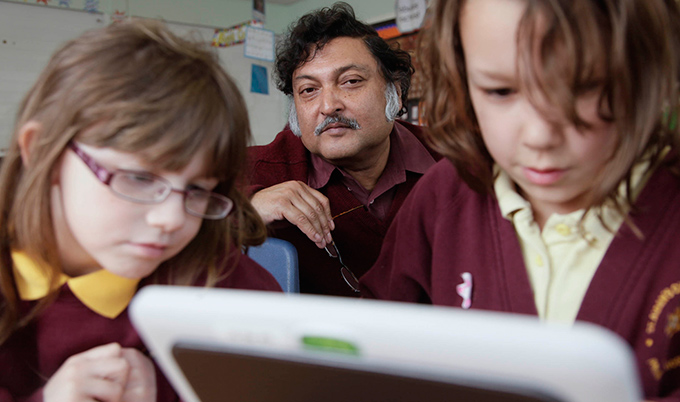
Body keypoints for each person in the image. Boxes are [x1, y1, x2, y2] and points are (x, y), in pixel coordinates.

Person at [360, 0, 680, 399]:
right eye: (500, 90)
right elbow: (374, 347)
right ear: (462, 80)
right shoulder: (444, 198)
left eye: (582, 88)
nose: (539, 136)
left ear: (645, 73)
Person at [0, 20, 281, 402]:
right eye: (138, 178)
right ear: (40, 153)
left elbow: (278, 372)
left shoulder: (208, 264)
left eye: (198, 189)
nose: (173, 219)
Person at [247, 2, 440, 297]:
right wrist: (246, 207)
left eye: (350, 82)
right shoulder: (258, 168)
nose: (328, 106)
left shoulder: (454, 162)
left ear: (396, 92)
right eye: (309, 90)